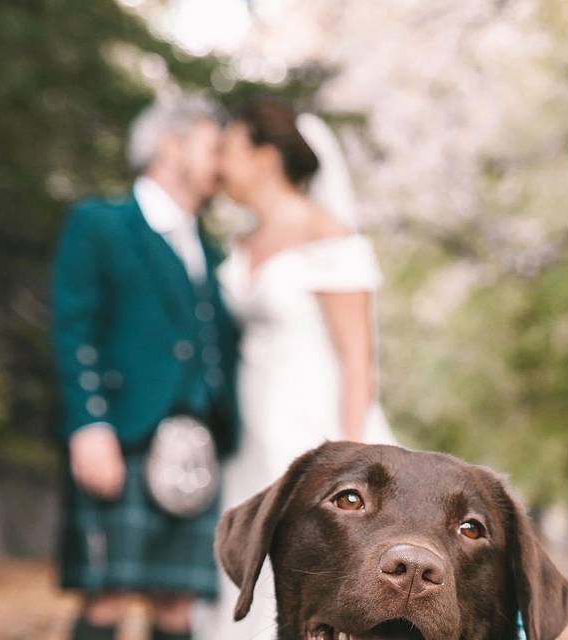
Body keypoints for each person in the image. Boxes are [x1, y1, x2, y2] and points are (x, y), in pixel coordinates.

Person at [199, 97, 395, 639]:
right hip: (248, 425)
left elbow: (358, 355)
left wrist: (351, 458)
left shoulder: (327, 236)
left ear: (264, 156)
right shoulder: (237, 242)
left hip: (312, 418)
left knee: (309, 556)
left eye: (230, 148)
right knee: (246, 547)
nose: (219, 163)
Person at [51, 95, 240, 640]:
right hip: (123, 434)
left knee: (176, 605)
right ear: (169, 146)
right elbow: (74, 329)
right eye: (211, 147)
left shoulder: (210, 250)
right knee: (107, 597)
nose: (220, 163)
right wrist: (89, 423)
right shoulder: (100, 224)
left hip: (196, 447)